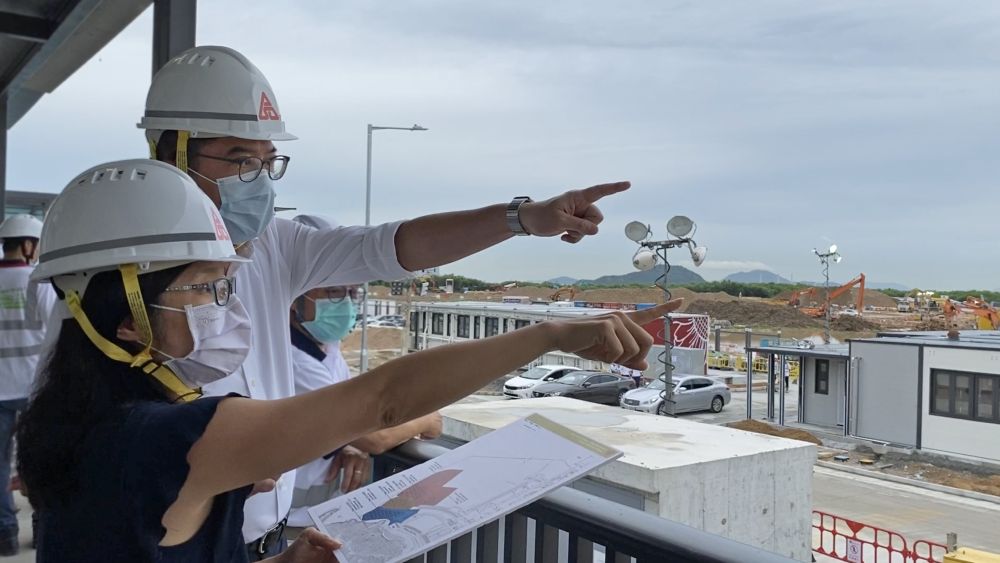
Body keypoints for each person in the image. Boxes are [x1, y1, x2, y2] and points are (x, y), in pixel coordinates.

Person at [15, 158, 678, 562]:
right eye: (205, 288)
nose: (225, 305)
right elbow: (380, 401)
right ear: (127, 316)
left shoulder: (88, 415)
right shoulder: (160, 436)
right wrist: (546, 335)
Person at [135, 45, 632, 557]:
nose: (258, 182)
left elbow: (392, 246)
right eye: (240, 161)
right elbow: (383, 400)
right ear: (172, 154)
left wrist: (523, 219)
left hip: (256, 540)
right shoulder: (122, 274)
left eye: (268, 163)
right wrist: (549, 335)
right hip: (162, 538)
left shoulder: (273, 245)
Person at [285, 216, 443, 529]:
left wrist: (345, 439)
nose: (344, 302)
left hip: (311, 521)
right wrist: (426, 419)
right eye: (332, 291)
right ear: (293, 296)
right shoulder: (293, 358)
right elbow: (373, 435)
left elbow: (351, 420)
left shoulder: (323, 348)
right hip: (282, 529)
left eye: (351, 292)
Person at [0, 214, 54, 556]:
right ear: (28, 245)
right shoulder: (39, 281)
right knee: (38, 460)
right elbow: (54, 331)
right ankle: (39, 530)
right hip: (35, 387)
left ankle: (5, 534)